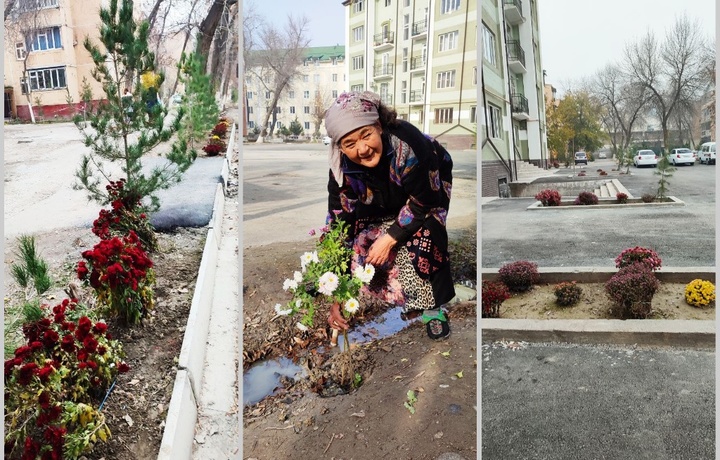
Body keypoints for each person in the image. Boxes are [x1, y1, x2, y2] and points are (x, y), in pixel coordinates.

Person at [323, 91, 455, 340]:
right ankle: (406, 296)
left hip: (427, 186)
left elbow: (424, 201)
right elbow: (339, 225)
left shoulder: (410, 145)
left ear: (378, 126)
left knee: (425, 233)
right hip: (378, 191)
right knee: (363, 240)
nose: (362, 149)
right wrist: (337, 294)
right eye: (350, 144)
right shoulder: (341, 171)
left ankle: (434, 309)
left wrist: (391, 236)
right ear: (340, 147)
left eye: (366, 135)